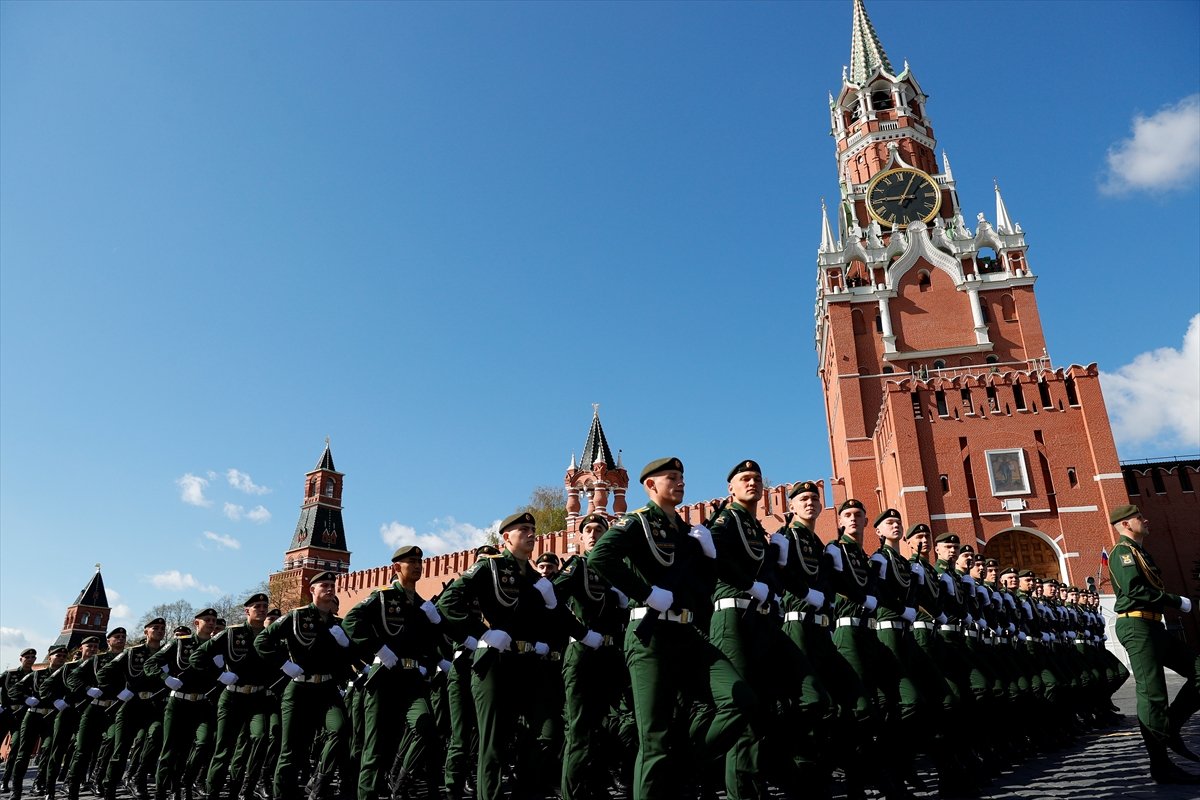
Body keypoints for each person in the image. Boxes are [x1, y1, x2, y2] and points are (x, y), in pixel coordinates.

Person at [589, 457, 756, 799]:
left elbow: (701, 590)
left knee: (742, 700)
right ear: (651, 485)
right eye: (672, 477)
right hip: (651, 639)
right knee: (654, 740)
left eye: (682, 477)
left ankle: (685, 763)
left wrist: (709, 556)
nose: (680, 483)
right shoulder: (638, 523)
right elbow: (599, 558)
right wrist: (646, 593)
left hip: (687, 635)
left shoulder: (685, 532)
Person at [437, 510, 577, 800]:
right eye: (523, 529)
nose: (530, 533)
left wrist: (552, 606)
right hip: (496, 665)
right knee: (493, 743)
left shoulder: (536, 579)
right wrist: (483, 633)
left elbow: (552, 622)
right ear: (506, 537)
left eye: (532, 529)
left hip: (529, 665)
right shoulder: (491, 567)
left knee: (546, 732)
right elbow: (449, 602)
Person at [341, 546, 443, 800]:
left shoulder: (422, 605)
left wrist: (437, 623)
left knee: (426, 727)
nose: (418, 566)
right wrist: (378, 649)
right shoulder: (383, 596)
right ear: (397, 567)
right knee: (375, 749)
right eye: (412, 561)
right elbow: (351, 621)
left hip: (411, 680)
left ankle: (399, 783)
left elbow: (432, 644)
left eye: (420, 561)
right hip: (385, 677)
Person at [1107, 504, 1200, 784]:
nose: (1144, 520)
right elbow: (1135, 589)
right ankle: (1161, 765)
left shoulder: (1139, 551)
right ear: (1125, 525)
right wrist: (1175, 600)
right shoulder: (1123, 552)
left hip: (1152, 624)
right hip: (1136, 625)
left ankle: (1169, 727)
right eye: (1138, 517)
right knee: (1153, 693)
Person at [555, 512, 634, 800]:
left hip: (609, 657)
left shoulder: (615, 572)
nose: (592, 534)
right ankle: (571, 794)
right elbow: (552, 601)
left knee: (604, 729)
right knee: (579, 732)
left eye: (598, 530)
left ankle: (596, 787)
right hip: (583, 654)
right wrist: (580, 632)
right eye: (586, 530)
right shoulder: (577, 566)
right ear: (579, 537)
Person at [254, 574, 354, 800]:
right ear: (312, 590)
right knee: (290, 750)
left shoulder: (337, 624)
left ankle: (319, 781)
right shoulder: (297, 616)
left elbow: (349, 658)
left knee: (339, 729)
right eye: (324, 586)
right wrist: (284, 665)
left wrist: (346, 644)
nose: (330, 589)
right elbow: (261, 642)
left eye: (332, 586)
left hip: (327, 689)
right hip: (299, 689)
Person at [192, 594, 274, 800]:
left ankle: (244, 788)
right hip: (232, 698)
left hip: (257, 699)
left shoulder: (270, 635)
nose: (262, 609)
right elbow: (197, 657)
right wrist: (219, 675)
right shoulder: (231, 633)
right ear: (247, 611)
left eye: (265, 606)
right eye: (257, 606)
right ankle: (214, 792)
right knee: (224, 748)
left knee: (260, 737)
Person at [147, 609, 220, 800]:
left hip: (202, 703)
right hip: (179, 701)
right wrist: (165, 678)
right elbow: (151, 664)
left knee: (202, 744)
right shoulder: (181, 642)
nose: (212, 623)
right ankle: (162, 790)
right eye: (207, 620)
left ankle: (185, 783)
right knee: (171, 749)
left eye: (214, 620)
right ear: (197, 623)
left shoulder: (217, 646)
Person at [98, 618, 167, 800]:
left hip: (153, 706)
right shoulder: (132, 652)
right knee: (120, 751)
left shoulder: (166, 653)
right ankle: (110, 787)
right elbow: (103, 674)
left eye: (162, 628)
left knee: (156, 734)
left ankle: (138, 778)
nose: (159, 631)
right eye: (155, 628)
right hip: (130, 706)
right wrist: (119, 691)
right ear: (146, 631)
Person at [7, 646, 68, 800]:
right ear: (50, 657)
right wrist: (26, 699)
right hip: (33, 716)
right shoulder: (37, 675)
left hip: (52, 718)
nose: (61, 658)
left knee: (49, 752)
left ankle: (46, 787)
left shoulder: (66, 676)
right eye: (58, 655)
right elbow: (14, 690)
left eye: (63, 656)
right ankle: (16, 789)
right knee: (23, 754)